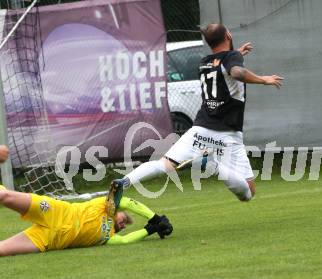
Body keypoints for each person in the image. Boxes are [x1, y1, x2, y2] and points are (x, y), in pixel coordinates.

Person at [110, 23, 283, 205]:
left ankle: (124, 181)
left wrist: (237, 53)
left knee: (165, 164)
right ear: (228, 35)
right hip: (228, 134)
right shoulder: (232, 59)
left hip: (200, 129)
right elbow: (237, 72)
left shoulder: (204, 62)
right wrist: (263, 79)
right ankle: (213, 166)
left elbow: (223, 65)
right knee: (248, 193)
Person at [0, 184, 173, 256]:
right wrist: (154, 218)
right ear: (119, 211)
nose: (122, 224)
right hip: (55, 212)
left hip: (50, 240)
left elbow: (126, 240)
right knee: (5, 196)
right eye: (124, 219)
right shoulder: (106, 208)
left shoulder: (108, 237)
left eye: (123, 226)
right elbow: (127, 201)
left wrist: (150, 230)